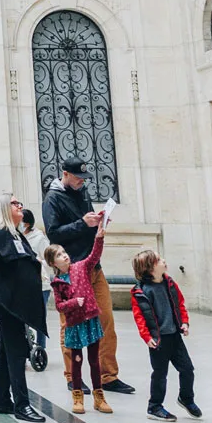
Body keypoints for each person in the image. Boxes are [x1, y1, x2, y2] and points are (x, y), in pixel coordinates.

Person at [43, 160, 133, 394]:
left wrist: (98, 222)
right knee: (70, 324)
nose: (82, 181)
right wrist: (82, 224)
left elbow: (86, 220)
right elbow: (54, 234)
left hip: (92, 265)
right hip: (71, 269)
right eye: (77, 177)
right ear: (65, 174)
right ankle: (73, 377)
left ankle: (108, 375)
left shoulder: (81, 191)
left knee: (106, 321)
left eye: (83, 177)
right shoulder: (52, 198)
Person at [0, 193, 47, 422]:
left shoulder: (17, 235)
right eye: (16, 204)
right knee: (17, 351)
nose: (21, 207)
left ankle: (2, 401)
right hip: (6, 302)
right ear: (5, 209)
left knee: (9, 349)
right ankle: (22, 404)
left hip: (18, 301)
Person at [46, 213, 111, 415]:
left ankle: (99, 396)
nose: (64, 256)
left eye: (64, 252)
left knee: (94, 359)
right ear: (53, 263)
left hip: (90, 319)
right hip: (74, 324)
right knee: (76, 360)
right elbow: (59, 306)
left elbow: (94, 256)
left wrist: (99, 237)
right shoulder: (57, 283)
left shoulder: (81, 267)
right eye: (58, 255)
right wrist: (74, 302)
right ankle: (77, 396)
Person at [131, 249, 199, 422]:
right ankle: (154, 407)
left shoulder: (169, 283)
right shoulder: (142, 291)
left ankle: (186, 398)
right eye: (159, 260)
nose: (164, 261)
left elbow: (180, 303)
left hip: (175, 336)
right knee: (160, 374)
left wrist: (184, 322)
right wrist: (147, 337)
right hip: (159, 340)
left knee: (187, 369)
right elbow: (140, 318)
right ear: (150, 268)